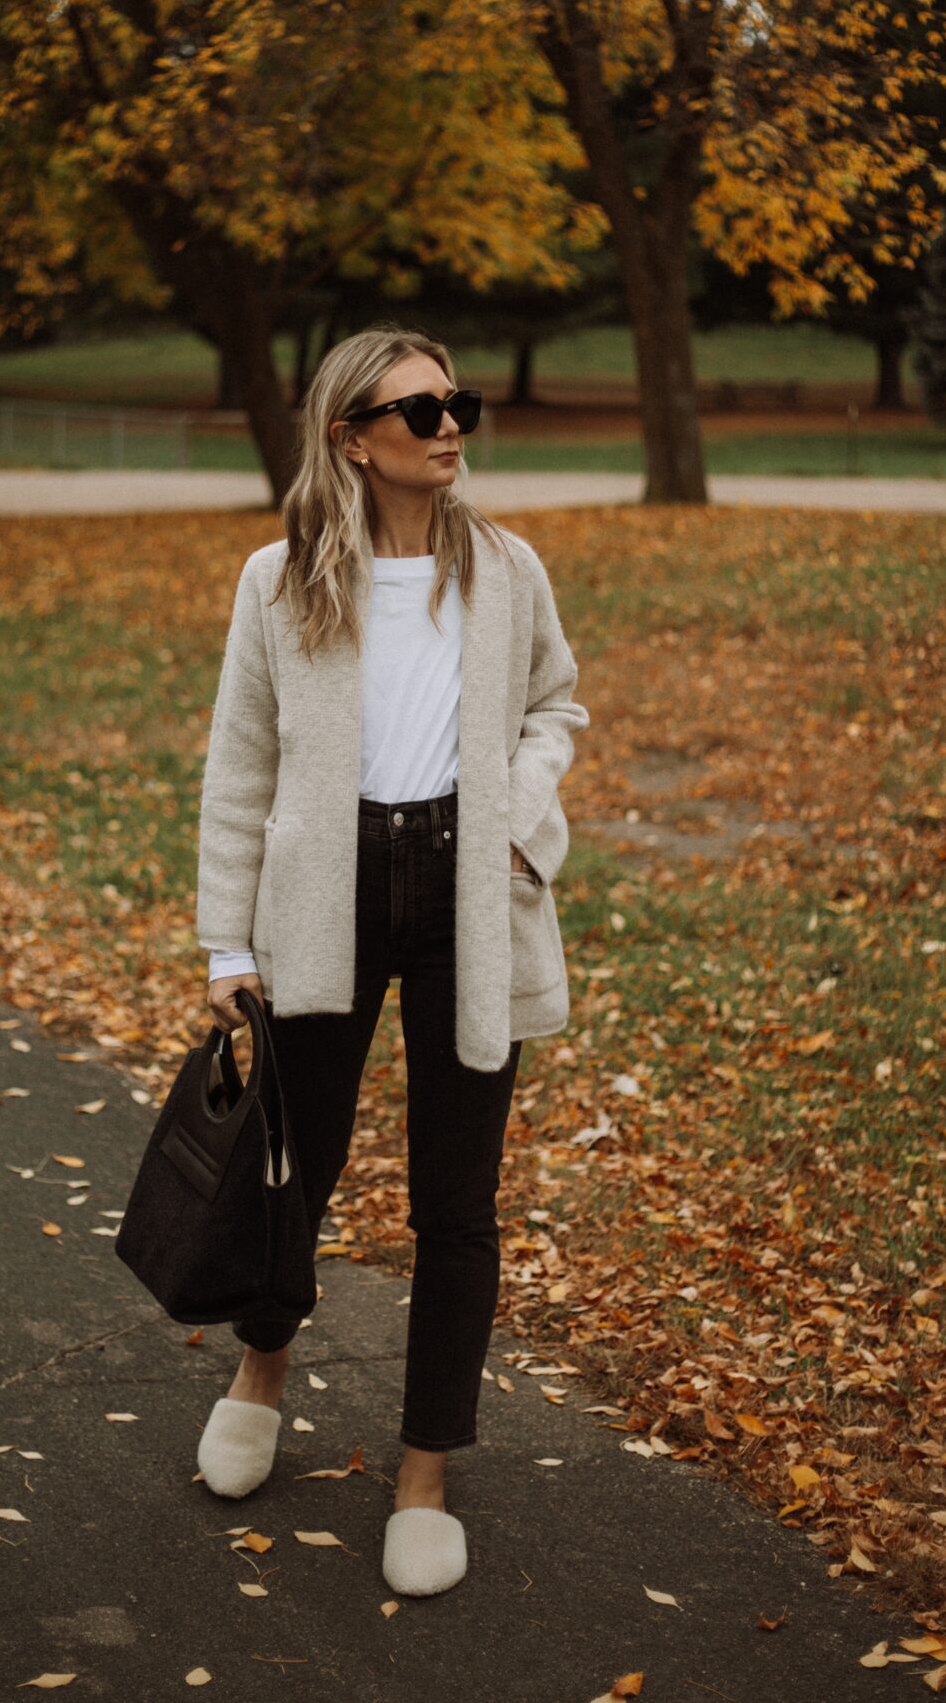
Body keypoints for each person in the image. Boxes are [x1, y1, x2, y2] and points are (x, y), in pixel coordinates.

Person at [192, 323, 589, 1597]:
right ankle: (263, 1364)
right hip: (328, 894)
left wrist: (524, 832)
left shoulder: (508, 570)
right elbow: (239, 767)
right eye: (422, 413)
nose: (452, 427)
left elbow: (555, 707)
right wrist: (226, 940)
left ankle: (425, 1471)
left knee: (455, 1205)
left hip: (471, 890)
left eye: (459, 403)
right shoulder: (282, 578)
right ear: (353, 437)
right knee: (294, 1174)